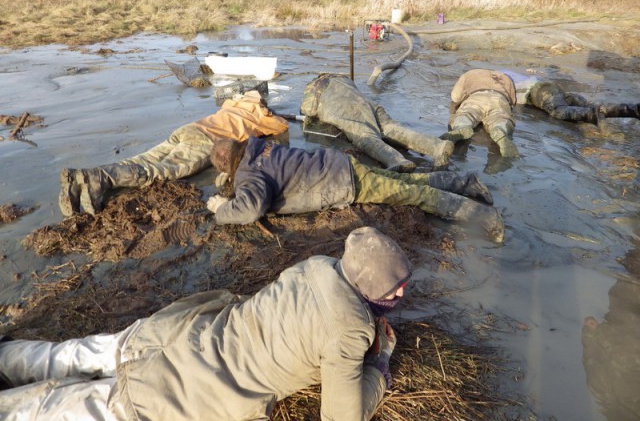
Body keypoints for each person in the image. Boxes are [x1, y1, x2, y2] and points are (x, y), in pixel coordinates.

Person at [0, 226, 411, 421]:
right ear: (368, 287)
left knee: (73, 354)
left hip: (180, 332)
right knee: (71, 408)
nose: (401, 296)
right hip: (189, 388)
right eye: (394, 289)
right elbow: (342, 417)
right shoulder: (349, 328)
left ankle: (5, 355)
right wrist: (377, 368)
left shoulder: (320, 265)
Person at [207, 137, 505, 243]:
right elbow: (259, 175)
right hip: (341, 163)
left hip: (344, 182)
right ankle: (467, 183)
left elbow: (250, 208)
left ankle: (484, 217)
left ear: (225, 164)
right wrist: (232, 181)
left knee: (415, 195)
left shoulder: (249, 173)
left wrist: (221, 210)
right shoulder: (258, 147)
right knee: (408, 183)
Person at [58, 90, 289, 217]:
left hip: (189, 129)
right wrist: (269, 113)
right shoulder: (261, 116)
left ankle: (85, 177)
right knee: (161, 170)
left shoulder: (231, 105)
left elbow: (233, 100)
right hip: (206, 141)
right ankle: (104, 178)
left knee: (144, 159)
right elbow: (281, 128)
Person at [300, 73, 455, 172]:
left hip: (343, 108)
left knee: (364, 135)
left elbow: (309, 110)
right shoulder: (341, 78)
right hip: (365, 102)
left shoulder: (313, 87)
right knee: (391, 128)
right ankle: (437, 146)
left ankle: (396, 160)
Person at [503, 69, 640, 125]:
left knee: (558, 110)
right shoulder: (503, 73)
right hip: (549, 88)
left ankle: (593, 116)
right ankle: (632, 110)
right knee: (587, 105)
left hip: (539, 91)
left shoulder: (494, 81)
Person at [439, 69, 519, 158]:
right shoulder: (505, 78)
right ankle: (500, 130)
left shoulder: (469, 74)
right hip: (499, 99)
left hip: (477, 96)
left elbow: (455, 97)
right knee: (500, 118)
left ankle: (462, 126)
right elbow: (513, 101)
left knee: (466, 114)